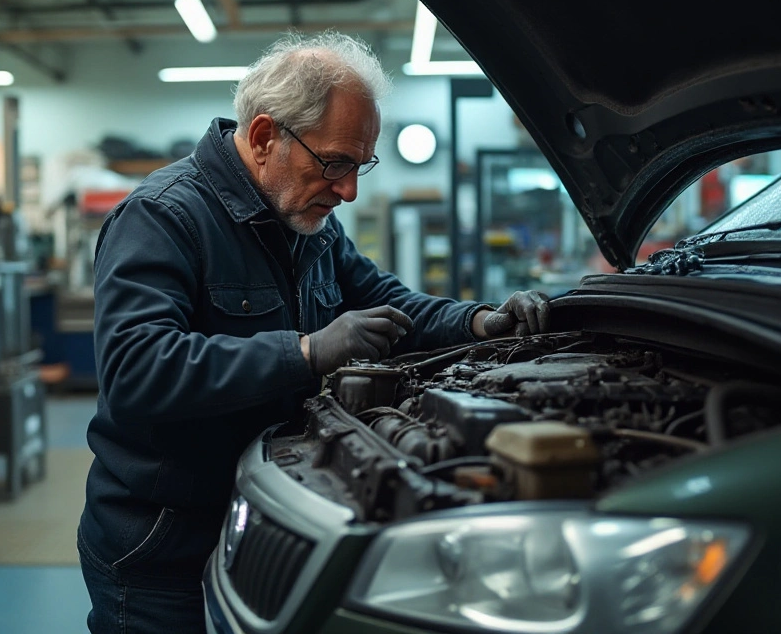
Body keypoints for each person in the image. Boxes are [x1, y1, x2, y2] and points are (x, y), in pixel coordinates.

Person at [78, 32, 552, 633]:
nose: (349, 190)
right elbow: (135, 371)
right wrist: (306, 352)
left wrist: (482, 322)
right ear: (263, 137)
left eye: (360, 166)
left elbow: (390, 305)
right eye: (335, 163)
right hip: (159, 542)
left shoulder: (311, 225)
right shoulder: (164, 217)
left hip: (261, 515)